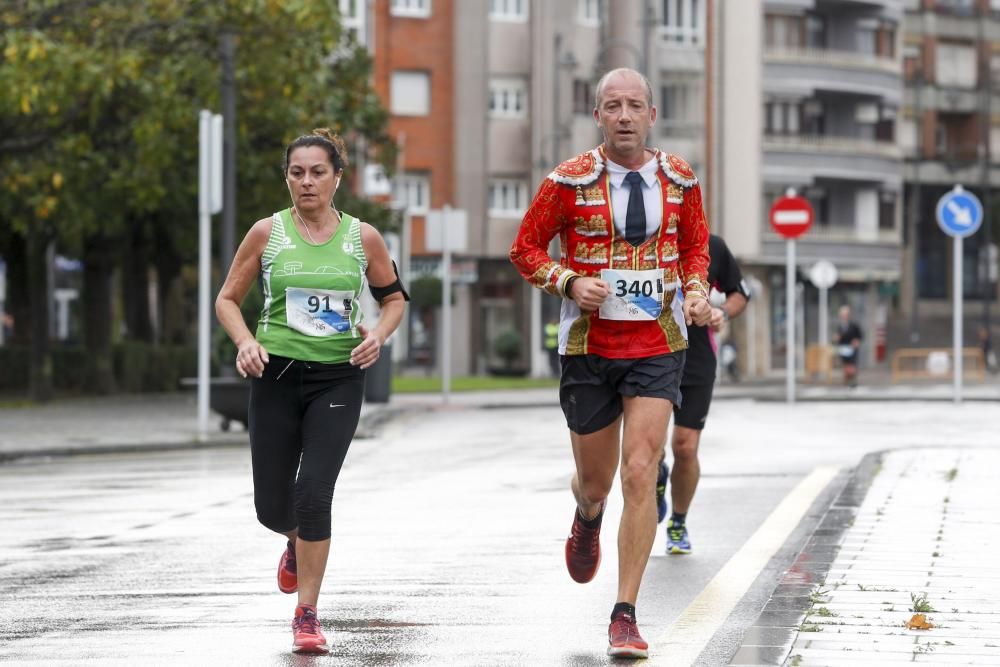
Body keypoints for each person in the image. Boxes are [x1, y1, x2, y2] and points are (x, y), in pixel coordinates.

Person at [509, 67, 711, 659]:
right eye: (612, 106)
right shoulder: (566, 181)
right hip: (589, 347)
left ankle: (625, 612)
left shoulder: (681, 179)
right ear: (598, 115)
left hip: (658, 341)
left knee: (641, 470)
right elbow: (523, 248)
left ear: (652, 115)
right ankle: (587, 512)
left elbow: (695, 245)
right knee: (598, 481)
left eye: (635, 106)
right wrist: (568, 281)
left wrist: (696, 290)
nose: (624, 115)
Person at [215, 129, 407, 655]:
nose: (307, 181)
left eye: (317, 171)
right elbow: (228, 299)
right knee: (272, 507)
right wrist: (245, 340)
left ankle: (307, 614)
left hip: (338, 375)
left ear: (337, 178)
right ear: (287, 178)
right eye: (297, 172)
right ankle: (292, 540)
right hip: (275, 375)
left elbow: (394, 299)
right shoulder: (267, 233)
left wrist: (380, 334)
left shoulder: (361, 238)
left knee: (314, 492)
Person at [655, 234, 751, 555]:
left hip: (697, 358)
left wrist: (722, 311)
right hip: (651, 354)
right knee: (649, 444)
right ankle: (654, 472)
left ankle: (678, 522)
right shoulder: (641, 238)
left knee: (685, 446)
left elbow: (740, 293)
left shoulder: (712, 245)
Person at [834, 304, 862, 387]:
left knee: (852, 364)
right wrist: (836, 339)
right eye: (842, 315)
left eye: (845, 315)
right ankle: (846, 381)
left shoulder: (854, 325)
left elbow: (859, 335)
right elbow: (838, 337)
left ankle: (853, 380)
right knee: (845, 365)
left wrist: (856, 341)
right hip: (843, 347)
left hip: (852, 347)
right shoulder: (840, 326)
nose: (844, 316)